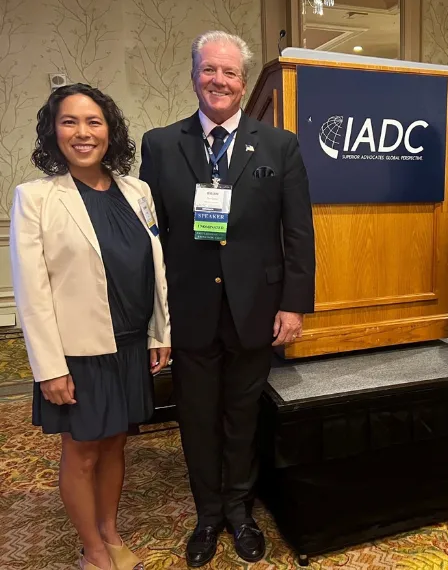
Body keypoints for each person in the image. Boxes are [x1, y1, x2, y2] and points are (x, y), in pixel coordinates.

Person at [140, 30, 315, 567]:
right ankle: (208, 515)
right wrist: (155, 319)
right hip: (189, 309)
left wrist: (293, 304)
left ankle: (240, 512)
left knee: (242, 416)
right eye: (209, 70)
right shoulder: (160, 144)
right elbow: (151, 237)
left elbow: (297, 232)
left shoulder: (280, 145)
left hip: (255, 308)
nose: (219, 80)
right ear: (194, 75)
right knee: (196, 418)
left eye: (230, 72)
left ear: (244, 81)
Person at [10, 83, 171, 570]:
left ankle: (110, 531)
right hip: (77, 353)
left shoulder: (137, 191)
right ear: (53, 132)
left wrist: (159, 331)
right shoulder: (36, 198)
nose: (83, 133)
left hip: (130, 343)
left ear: (110, 131)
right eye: (70, 122)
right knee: (81, 452)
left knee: (117, 442)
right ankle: (94, 551)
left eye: (93, 122)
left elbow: (155, 268)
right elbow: (32, 291)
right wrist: (49, 368)